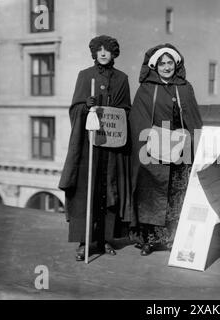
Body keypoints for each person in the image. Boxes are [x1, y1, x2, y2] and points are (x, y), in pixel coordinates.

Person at [58, 35, 134, 261]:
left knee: (109, 189)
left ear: (113, 53)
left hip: (111, 145)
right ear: (94, 53)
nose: (103, 53)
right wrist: (85, 107)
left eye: (107, 50)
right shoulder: (85, 76)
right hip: (88, 145)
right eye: (99, 50)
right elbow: (74, 109)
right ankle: (85, 242)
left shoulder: (122, 79)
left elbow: (126, 110)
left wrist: (114, 115)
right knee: (86, 189)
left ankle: (104, 240)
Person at [129, 43, 203, 256]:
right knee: (153, 194)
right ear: (155, 66)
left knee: (176, 193)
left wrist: (192, 143)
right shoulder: (146, 88)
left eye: (170, 62)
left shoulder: (185, 87)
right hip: (153, 149)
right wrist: (151, 139)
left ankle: (173, 239)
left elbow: (193, 119)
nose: (167, 67)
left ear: (176, 64)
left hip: (180, 150)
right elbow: (138, 121)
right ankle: (151, 240)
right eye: (162, 63)